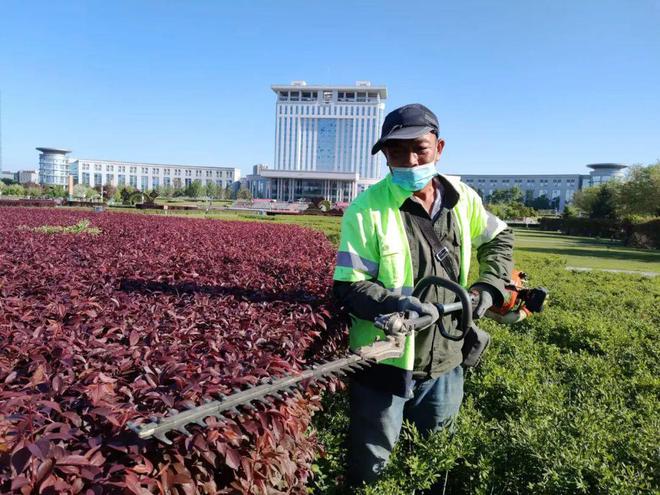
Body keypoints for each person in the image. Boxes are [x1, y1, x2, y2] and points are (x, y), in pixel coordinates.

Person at [332, 103, 514, 486]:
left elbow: (499, 237)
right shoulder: (365, 210)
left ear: (439, 147)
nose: (409, 160)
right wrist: (397, 304)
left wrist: (488, 287)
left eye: (419, 148)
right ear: (384, 155)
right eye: (396, 151)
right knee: (372, 469)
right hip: (383, 363)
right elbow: (349, 285)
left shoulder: (462, 198)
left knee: (434, 465)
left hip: (446, 359)